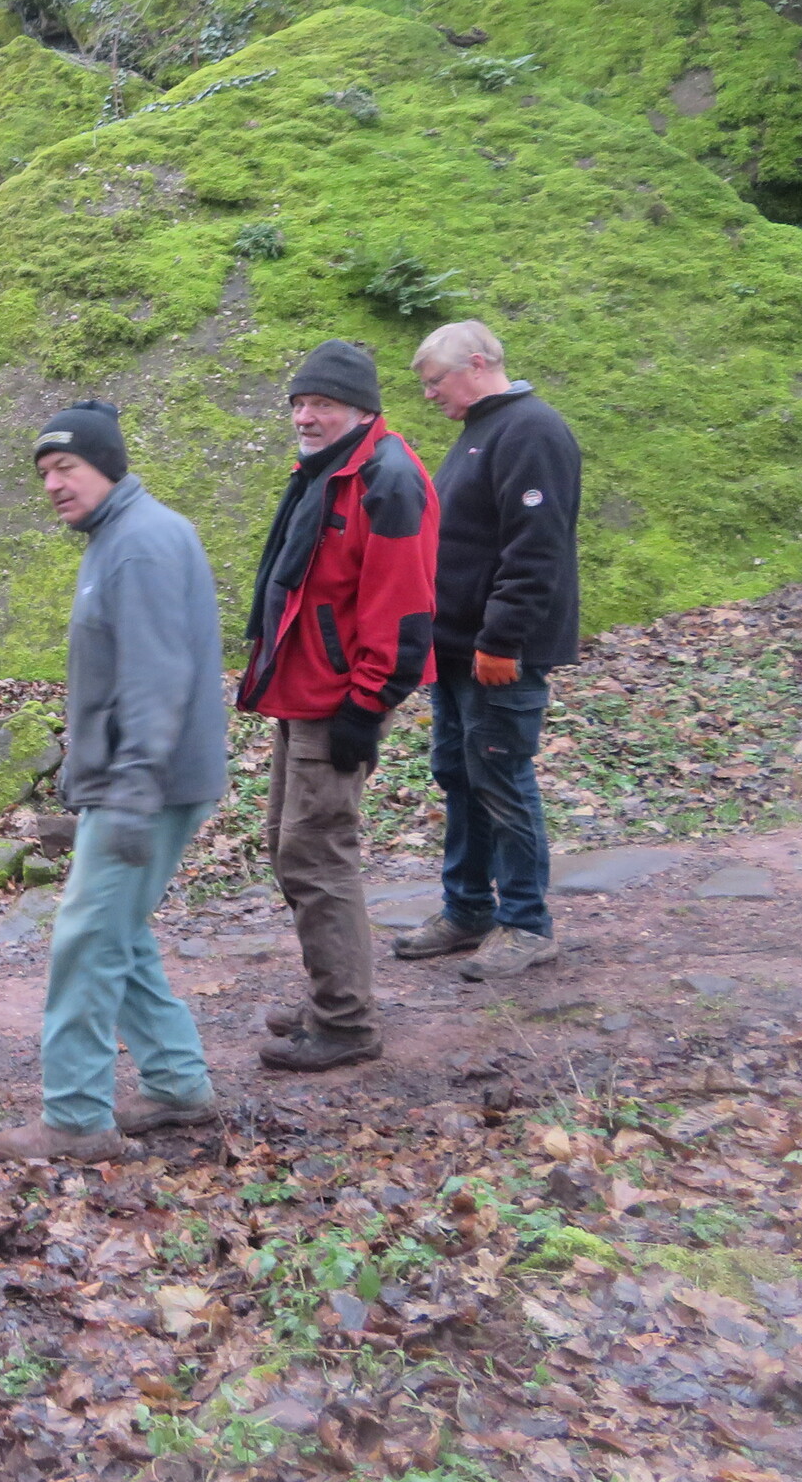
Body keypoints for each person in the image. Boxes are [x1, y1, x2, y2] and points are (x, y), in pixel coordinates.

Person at [0, 401, 229, 1163]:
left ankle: (75, 1117)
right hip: (144, 779)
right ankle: (177, 1084)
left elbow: (157, 677)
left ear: (107, 465)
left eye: (67, 467)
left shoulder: (141, 544)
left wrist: (129, 787)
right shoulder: (119, 537)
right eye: (44, 473)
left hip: (149, 784)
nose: (54, 484)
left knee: (87, 941)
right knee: (116, 932)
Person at [238, 341, 438, 1072]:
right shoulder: (331, 470)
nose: (305, 416)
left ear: (360, 410)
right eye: (298, 403)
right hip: (307, 689)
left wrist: (367, 706)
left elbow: (404, 608)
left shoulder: (387, 480)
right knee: (291, 848)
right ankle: (333, 995)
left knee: (317, 855)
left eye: (321, 404)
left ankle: (347, 1023)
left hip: (339, 697)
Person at [393, 322, 581, 980]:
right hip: (455, 650)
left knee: (501, 779)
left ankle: (526, 924)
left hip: (496, 654)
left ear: (475, 364)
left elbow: (536, 547)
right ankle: (468, 909)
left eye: (434, 381)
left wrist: (502, 638)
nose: (429, 394)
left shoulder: (531, 430)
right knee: (460, 776)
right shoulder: (483, 431)